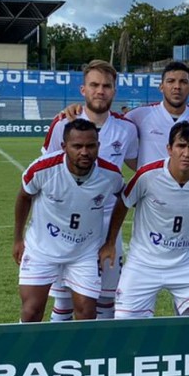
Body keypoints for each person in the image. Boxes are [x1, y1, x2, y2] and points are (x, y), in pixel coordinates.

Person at [100, 122, 189, 317]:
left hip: (187, 263)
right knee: (124, 322)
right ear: (169, 149)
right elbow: (123, 204)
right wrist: (110, 242)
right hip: (143, 263)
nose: (186, 153)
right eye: (181, 146)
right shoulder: (147, 175)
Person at [41, 59, 138, 321]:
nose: (100, 91)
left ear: (114, 91)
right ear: (83, 89)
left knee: (107, 298)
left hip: (107, 223)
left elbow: (136, 164)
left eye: (106, 86)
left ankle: (100, 357)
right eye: (94, 85)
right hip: (67, 226)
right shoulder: (63, 123)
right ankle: (58, 357)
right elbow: (46, 171)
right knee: (64, 301)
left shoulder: (127, 129)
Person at [13, 119, 125, 322]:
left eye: (90, 146)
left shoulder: (110, 174)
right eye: (77, 146)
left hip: (84, 252)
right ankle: (28, 353)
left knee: (87, 312)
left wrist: (110, 242)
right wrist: (18, 239)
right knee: (32, 310)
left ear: (98, 146)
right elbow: (24, 196)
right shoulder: (42, 169)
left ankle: (80, 354)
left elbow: (122, 200)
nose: (84, 152)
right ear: (64, 147)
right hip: (42, 249)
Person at [122, 61, 189, 167]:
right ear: (161, 87)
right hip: (151, 183)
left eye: (183, 82)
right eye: (171, 81)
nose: (177, 86)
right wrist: (144, 172)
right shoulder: (139, 115)